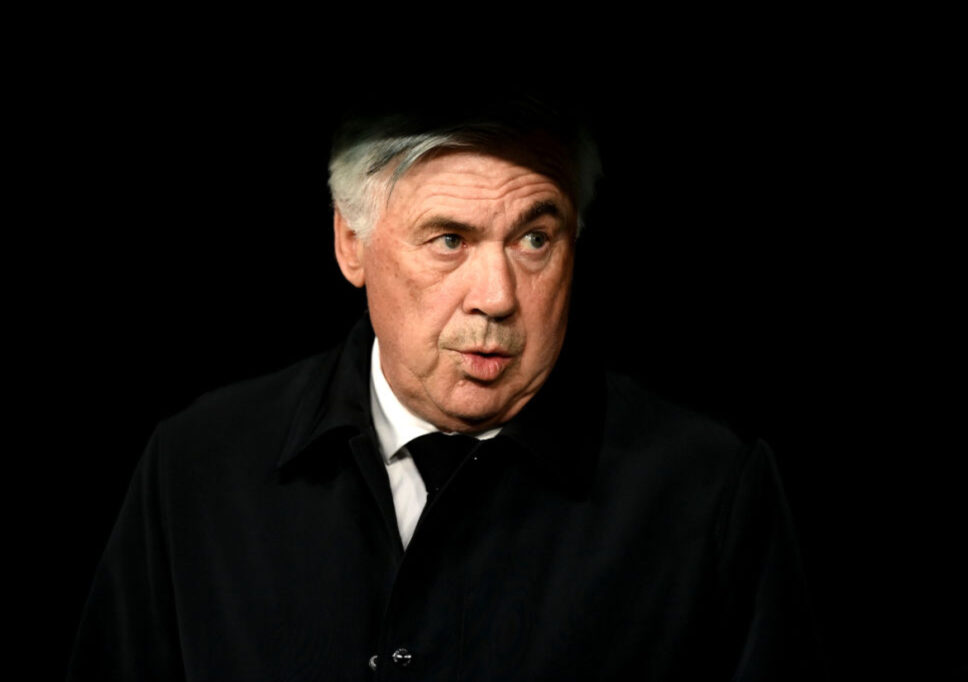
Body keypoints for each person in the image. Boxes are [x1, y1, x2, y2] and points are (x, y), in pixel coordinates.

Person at [68, 95, 823, 680]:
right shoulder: (196, 468)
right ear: (351, 243)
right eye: (450, 240)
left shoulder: (707, 492)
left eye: (535, 238)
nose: (496, 296)